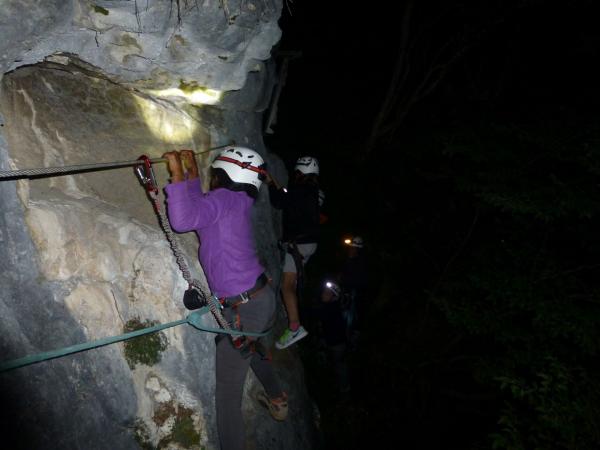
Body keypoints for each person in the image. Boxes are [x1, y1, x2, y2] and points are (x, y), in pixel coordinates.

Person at [163, 147, 287, 450]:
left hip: (245, 305)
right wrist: (190, 174)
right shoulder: (237, 201)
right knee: (253, 346)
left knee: (228, 393)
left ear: (225, 174)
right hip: (259, 298)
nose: (211, 178)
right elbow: (202, 209)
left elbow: (183, 219)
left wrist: (177, 176)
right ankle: (277, 398)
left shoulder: (223, 200)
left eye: (212, 174)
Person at [267, 156, 321, 350]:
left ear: (299, 172)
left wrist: (269, 184)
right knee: (292, 282)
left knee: (286, 285)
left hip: (299, 244)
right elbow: (289, 198)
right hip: (308, 243)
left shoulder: (301, 190)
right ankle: (293, 313)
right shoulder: (313, 191)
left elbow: (279, 201)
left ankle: (295, 326)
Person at [314, 279, 351, 394]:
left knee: (339, 365)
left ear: (333, 297)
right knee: (337, 364)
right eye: (324, 291)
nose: (323, 294)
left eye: (327, 293)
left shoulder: (331, 308)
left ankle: (344, 389)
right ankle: (340, 385)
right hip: (333, 341)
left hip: (337, 343)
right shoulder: (330, 307)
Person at [339, 236, 369, 345]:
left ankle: (349, 338)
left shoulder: (360, 262)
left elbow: (358, 279)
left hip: (355, 294)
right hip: (346, 292)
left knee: (351, 316)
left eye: (353, 248)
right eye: (351, 247)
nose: (351, 249)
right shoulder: (349, 259)